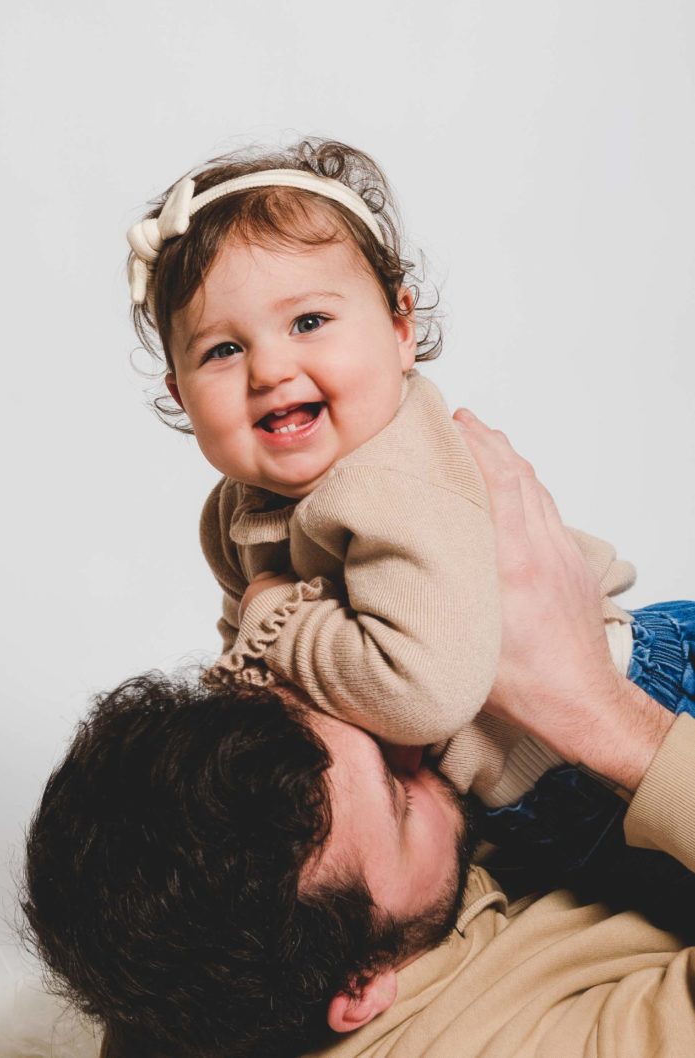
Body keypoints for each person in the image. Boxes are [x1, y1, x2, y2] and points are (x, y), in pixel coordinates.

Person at [22, 414, 695, 1058]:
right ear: (361, 986)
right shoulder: (563, 1042)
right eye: (399, 804)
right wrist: (603, 716)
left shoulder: (188, 972)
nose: (407, 742)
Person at [125, 137, 695, 864]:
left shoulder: (388, 477)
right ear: (178, 391)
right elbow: (257, 668)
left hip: (643, 702)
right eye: (221, 351)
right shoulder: (233, 512)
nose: (268, 368)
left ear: (400, 330)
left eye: (308, 322)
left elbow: (421, 697)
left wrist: (276, 619)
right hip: (522, 784)